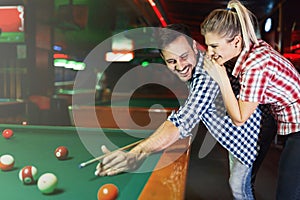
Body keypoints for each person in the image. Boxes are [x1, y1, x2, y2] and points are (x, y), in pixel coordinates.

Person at [95, 24, 263, 199]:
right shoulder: (195, 66)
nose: (180, 66)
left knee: (238, 187)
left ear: (193, 47)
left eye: (184, 57)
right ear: (164, 59)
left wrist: (136, 154)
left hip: (249, 136)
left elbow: (182, 122)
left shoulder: (207, 75)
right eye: (171, 61)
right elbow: (182, 115)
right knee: (238, 183)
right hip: (237, 135)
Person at [200, 0, 300, 199]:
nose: (210, 52)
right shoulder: (251, 50)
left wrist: (220, 76)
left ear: (236, 42)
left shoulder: (255, 65)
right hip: (287, 122)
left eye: (214, 46)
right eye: (207, 46)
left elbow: (239, 117)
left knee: (287, 194)